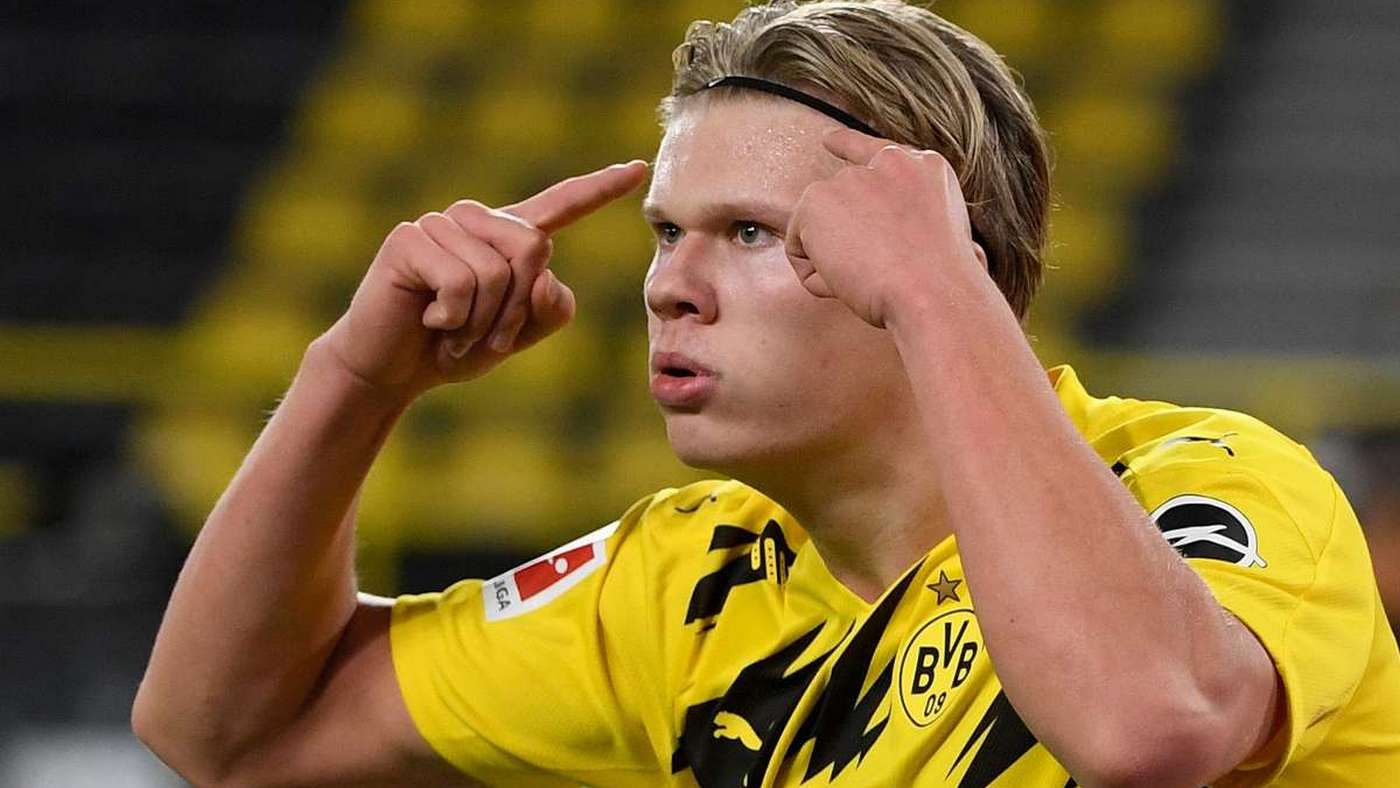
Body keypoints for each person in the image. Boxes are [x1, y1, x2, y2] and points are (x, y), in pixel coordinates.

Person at [132, 1, 1400, 785]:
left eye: (746, 231)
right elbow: (230, 737)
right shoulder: (689, 581)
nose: (667, 287)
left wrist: (939, 293)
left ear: (927, 254)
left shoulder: (1211, 481)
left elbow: (1148, 728)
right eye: (663, 231)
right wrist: (353, 380)